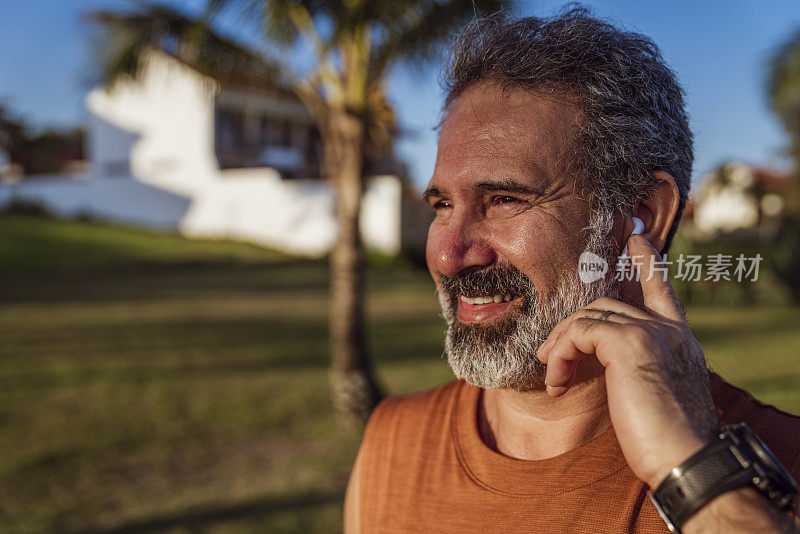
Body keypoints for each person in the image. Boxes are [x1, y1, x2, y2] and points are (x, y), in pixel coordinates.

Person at [344, 9, 800, 533]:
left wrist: (691, 468)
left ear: (643, 217)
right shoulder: (392, 443)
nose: (449, 254)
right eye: (442, 205)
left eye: (505, 199)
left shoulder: (787, 465)